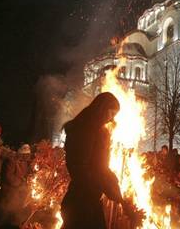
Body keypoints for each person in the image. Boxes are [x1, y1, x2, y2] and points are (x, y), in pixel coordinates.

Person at [61, 92, 143, 229]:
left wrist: (120, 198)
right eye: (111, 114)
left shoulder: (90, 129)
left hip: (85, 200)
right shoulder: (87, 130)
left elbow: (101, 170)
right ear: (102, 109)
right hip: (83, 203)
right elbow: (90, 169)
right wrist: (117, 197)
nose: (111, 119)